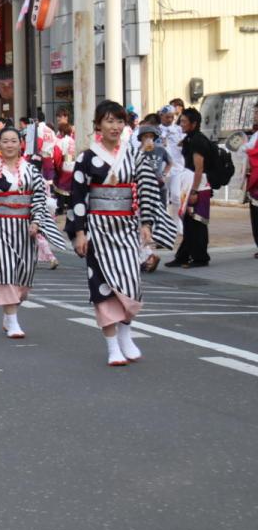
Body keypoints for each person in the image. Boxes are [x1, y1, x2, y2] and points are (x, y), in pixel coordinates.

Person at [68, 100, 179, 365]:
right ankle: (112, 347)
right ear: (98, 125)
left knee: (131, 284)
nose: (115, 126)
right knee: (102, 287)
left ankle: (126, 334)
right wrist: (79, 232)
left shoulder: (134, 155)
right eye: (109, 121)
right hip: (98, 230)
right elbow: (78, 197)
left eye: (119, 121)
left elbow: (147, 189)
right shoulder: (86, 158)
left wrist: (146, 223)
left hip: (127, 228)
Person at [0, 126, 67, 339]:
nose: (9, 145)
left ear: (21, 144)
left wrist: (36, 221)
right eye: (5, 141)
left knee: (24, 277)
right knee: (6, 271)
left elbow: (39, 199)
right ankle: (12, 319)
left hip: (25, 229)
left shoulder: (32, 171)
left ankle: (11, 311)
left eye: (13, 141)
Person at [166, 107, 214, 269]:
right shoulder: (189, 138)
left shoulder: (198, 141)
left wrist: (194, 191)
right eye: (181, 121)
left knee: (197, 222)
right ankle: (183, 256)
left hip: (198, 186)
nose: (181, 124)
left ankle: (201, 258)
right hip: (190, 184)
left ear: (194, 124)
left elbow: (199, 169)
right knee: (188, 221)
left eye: (184, 121)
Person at [136, 122, 173, 272]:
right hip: (143, 188)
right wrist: (142, 150)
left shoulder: (160, 149)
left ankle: (151, 249)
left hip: (159, 186)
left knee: (157, 215)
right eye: (145, 136)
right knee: (143, 219)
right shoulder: (137, 152)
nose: (148, 139)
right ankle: (148, 254)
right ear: (140, 138)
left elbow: (170, 162)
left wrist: (164, 174)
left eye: (151, 136)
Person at [52, 109, 77, 213]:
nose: (58, 118)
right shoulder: (61, 134)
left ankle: (61, 207)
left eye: (60, 116)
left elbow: (58, 152)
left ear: (66, 117)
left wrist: (57, 165)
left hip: (65, 161)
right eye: (58, 116)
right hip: (72, 162)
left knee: (62, 186)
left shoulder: (72, 131)